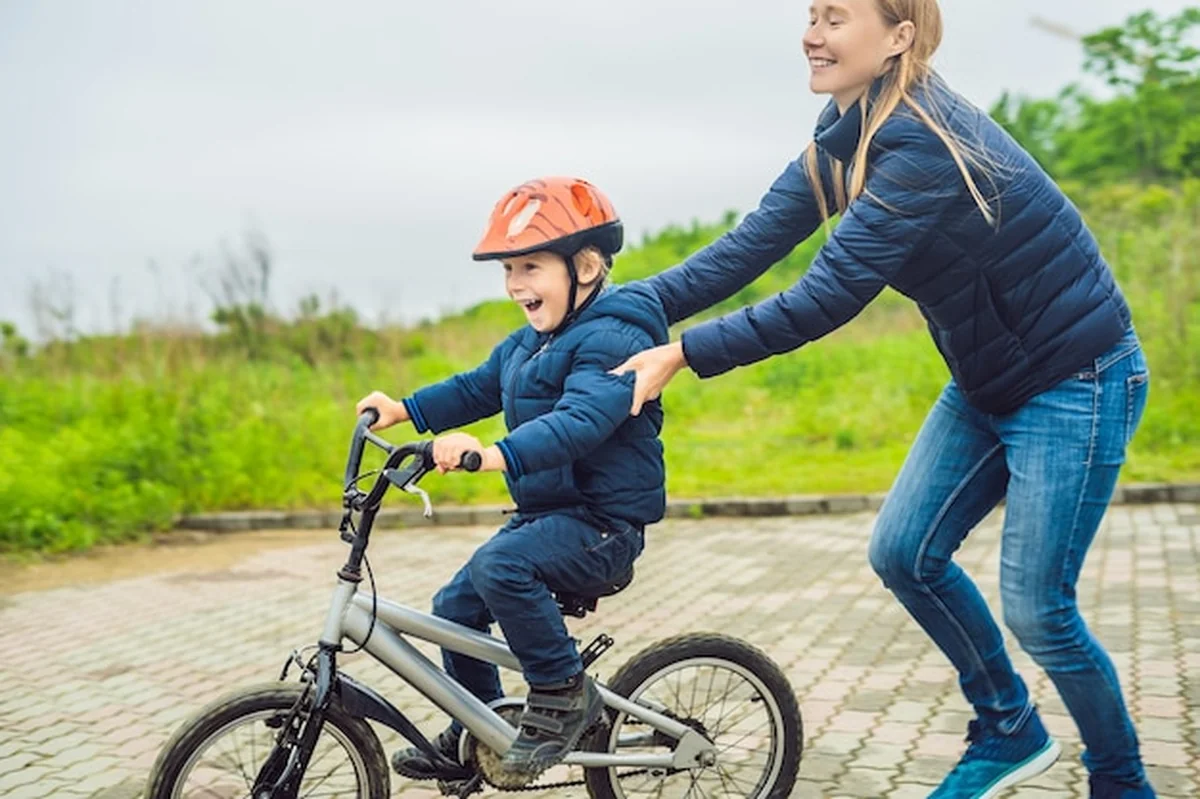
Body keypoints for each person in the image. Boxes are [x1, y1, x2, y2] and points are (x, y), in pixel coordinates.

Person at [611, 2, 1155, 797]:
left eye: (836, 17)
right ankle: (1008, 727)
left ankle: (1123, 781)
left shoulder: (924, 145)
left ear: (899, 37)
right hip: (988, 380)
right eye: (810, 14)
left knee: (1038, 605)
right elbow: (746, 247)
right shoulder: (843, 139)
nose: (812, 33)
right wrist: (612, 310)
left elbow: (827, 295)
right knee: (903, 552)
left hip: (1080, 375)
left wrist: (686, 353)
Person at [356, 176, 668, 781]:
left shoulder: (613, 336)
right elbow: (474, 388)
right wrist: (403, 410)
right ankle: (481, 724)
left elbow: (580, 422)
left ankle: (561, 694)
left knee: (503, 568)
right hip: (550, 516)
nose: (516, 284)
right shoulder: (528, 344)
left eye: (530, 266)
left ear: (585, 266)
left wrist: (489, 455)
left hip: (602, 525)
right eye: (508, 270)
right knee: (454, 606)